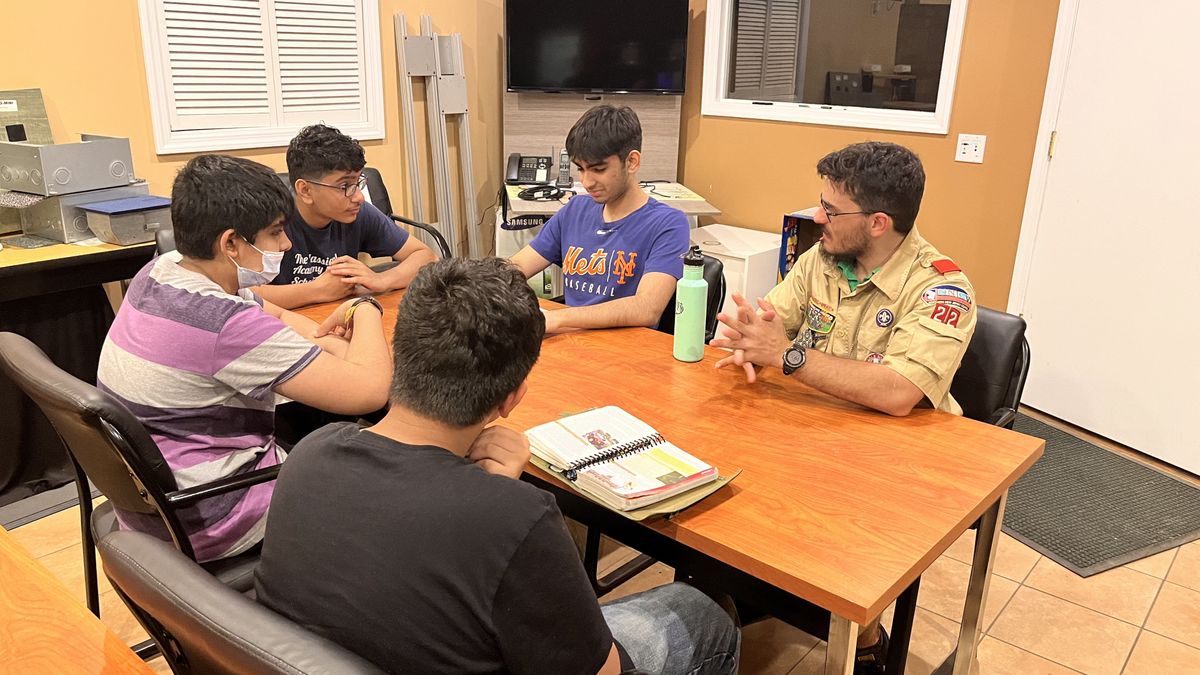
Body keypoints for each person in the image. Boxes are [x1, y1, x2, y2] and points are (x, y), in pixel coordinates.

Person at [254, 257, 740, 674]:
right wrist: (500, 502)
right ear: (512, 398)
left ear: (398, 357)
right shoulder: (515, 518)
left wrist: (488, 495)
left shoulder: (309, 455)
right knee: (701, 615)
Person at [711, 141, 977, 672]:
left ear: (879, 222)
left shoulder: (943, 288)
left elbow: (899, 392)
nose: (817, 217)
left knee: (839, 557)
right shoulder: (823, 259)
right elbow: (773, 321)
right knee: (719, 500)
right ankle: (727, 600)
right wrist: (750, 336)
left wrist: (784, 356)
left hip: (898, 470)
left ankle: (867, 644)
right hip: (819, 439)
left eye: (831, 210)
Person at [96, 154, 392, 563]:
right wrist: (366, 309)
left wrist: (333, 347)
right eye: (275, 234)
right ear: (231, 243)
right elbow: (370, 391)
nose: (286, 245)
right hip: (217, 516)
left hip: (157, 500)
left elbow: (274, 313)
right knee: (383, 473)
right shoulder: (223, 324)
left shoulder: (162, 272)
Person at [510, 105, 690, 334]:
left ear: (632, 162)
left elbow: (647, 308)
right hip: (570, 343)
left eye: (598, 169)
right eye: (581, 169)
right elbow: (516, 268)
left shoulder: (669, 224)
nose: (586, 181)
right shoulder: (575, 209)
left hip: (624, 352)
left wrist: (557, 319)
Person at [254, 124, 437, 309]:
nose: (358, 196)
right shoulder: (271, 221)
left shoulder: (358, 211)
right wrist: (317, 290)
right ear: (306, 190)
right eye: (344, 186)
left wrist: (381, 279)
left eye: (358, 182)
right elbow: (237, 294)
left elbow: (426, 256)